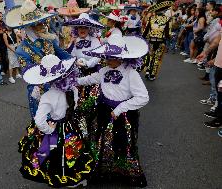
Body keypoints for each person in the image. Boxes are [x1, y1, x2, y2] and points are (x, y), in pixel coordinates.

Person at [77, 34, 149, 187]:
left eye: (113, 57)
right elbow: (90, 79)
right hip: (104, 111)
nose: (109, 60)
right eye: (107, 57)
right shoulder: (103, 71)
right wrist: (73, 81)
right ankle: (104, 170)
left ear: (122, 57)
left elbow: (143, 97)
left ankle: (123, 172)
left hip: (124, 114)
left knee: (122, 143)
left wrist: (120, 108)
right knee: (102, 141)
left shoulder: (131, 73)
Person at [19, 54, 92, 188]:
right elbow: (73, 107)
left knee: (56, 153)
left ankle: (63, 177)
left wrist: (50, 129)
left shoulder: (48, 96)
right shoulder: (73, 88)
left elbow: (39, 121)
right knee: (73, 152)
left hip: (57, 128)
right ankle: (76, 177)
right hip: (71, 125)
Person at [5, 0, 72, 118]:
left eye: (42, 22)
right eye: (40, 23)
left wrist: (75, 62)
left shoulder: (48, 39)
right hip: (41, 91)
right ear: (30, 27)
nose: (44, 25)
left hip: (59, 86)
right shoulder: (22, 50)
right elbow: (30, 76)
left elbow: (62, 54)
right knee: (46, 124)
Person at [142, 0, 173, 81]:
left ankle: (148, 71)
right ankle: (152, 75)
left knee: (150, 56)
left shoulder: (151, 18)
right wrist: (170, 37)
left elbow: (145, 31)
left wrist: (142, 38)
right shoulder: (167, 19)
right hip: (161, 42)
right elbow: (167, 34)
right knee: (157, 58)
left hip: (151, 41)